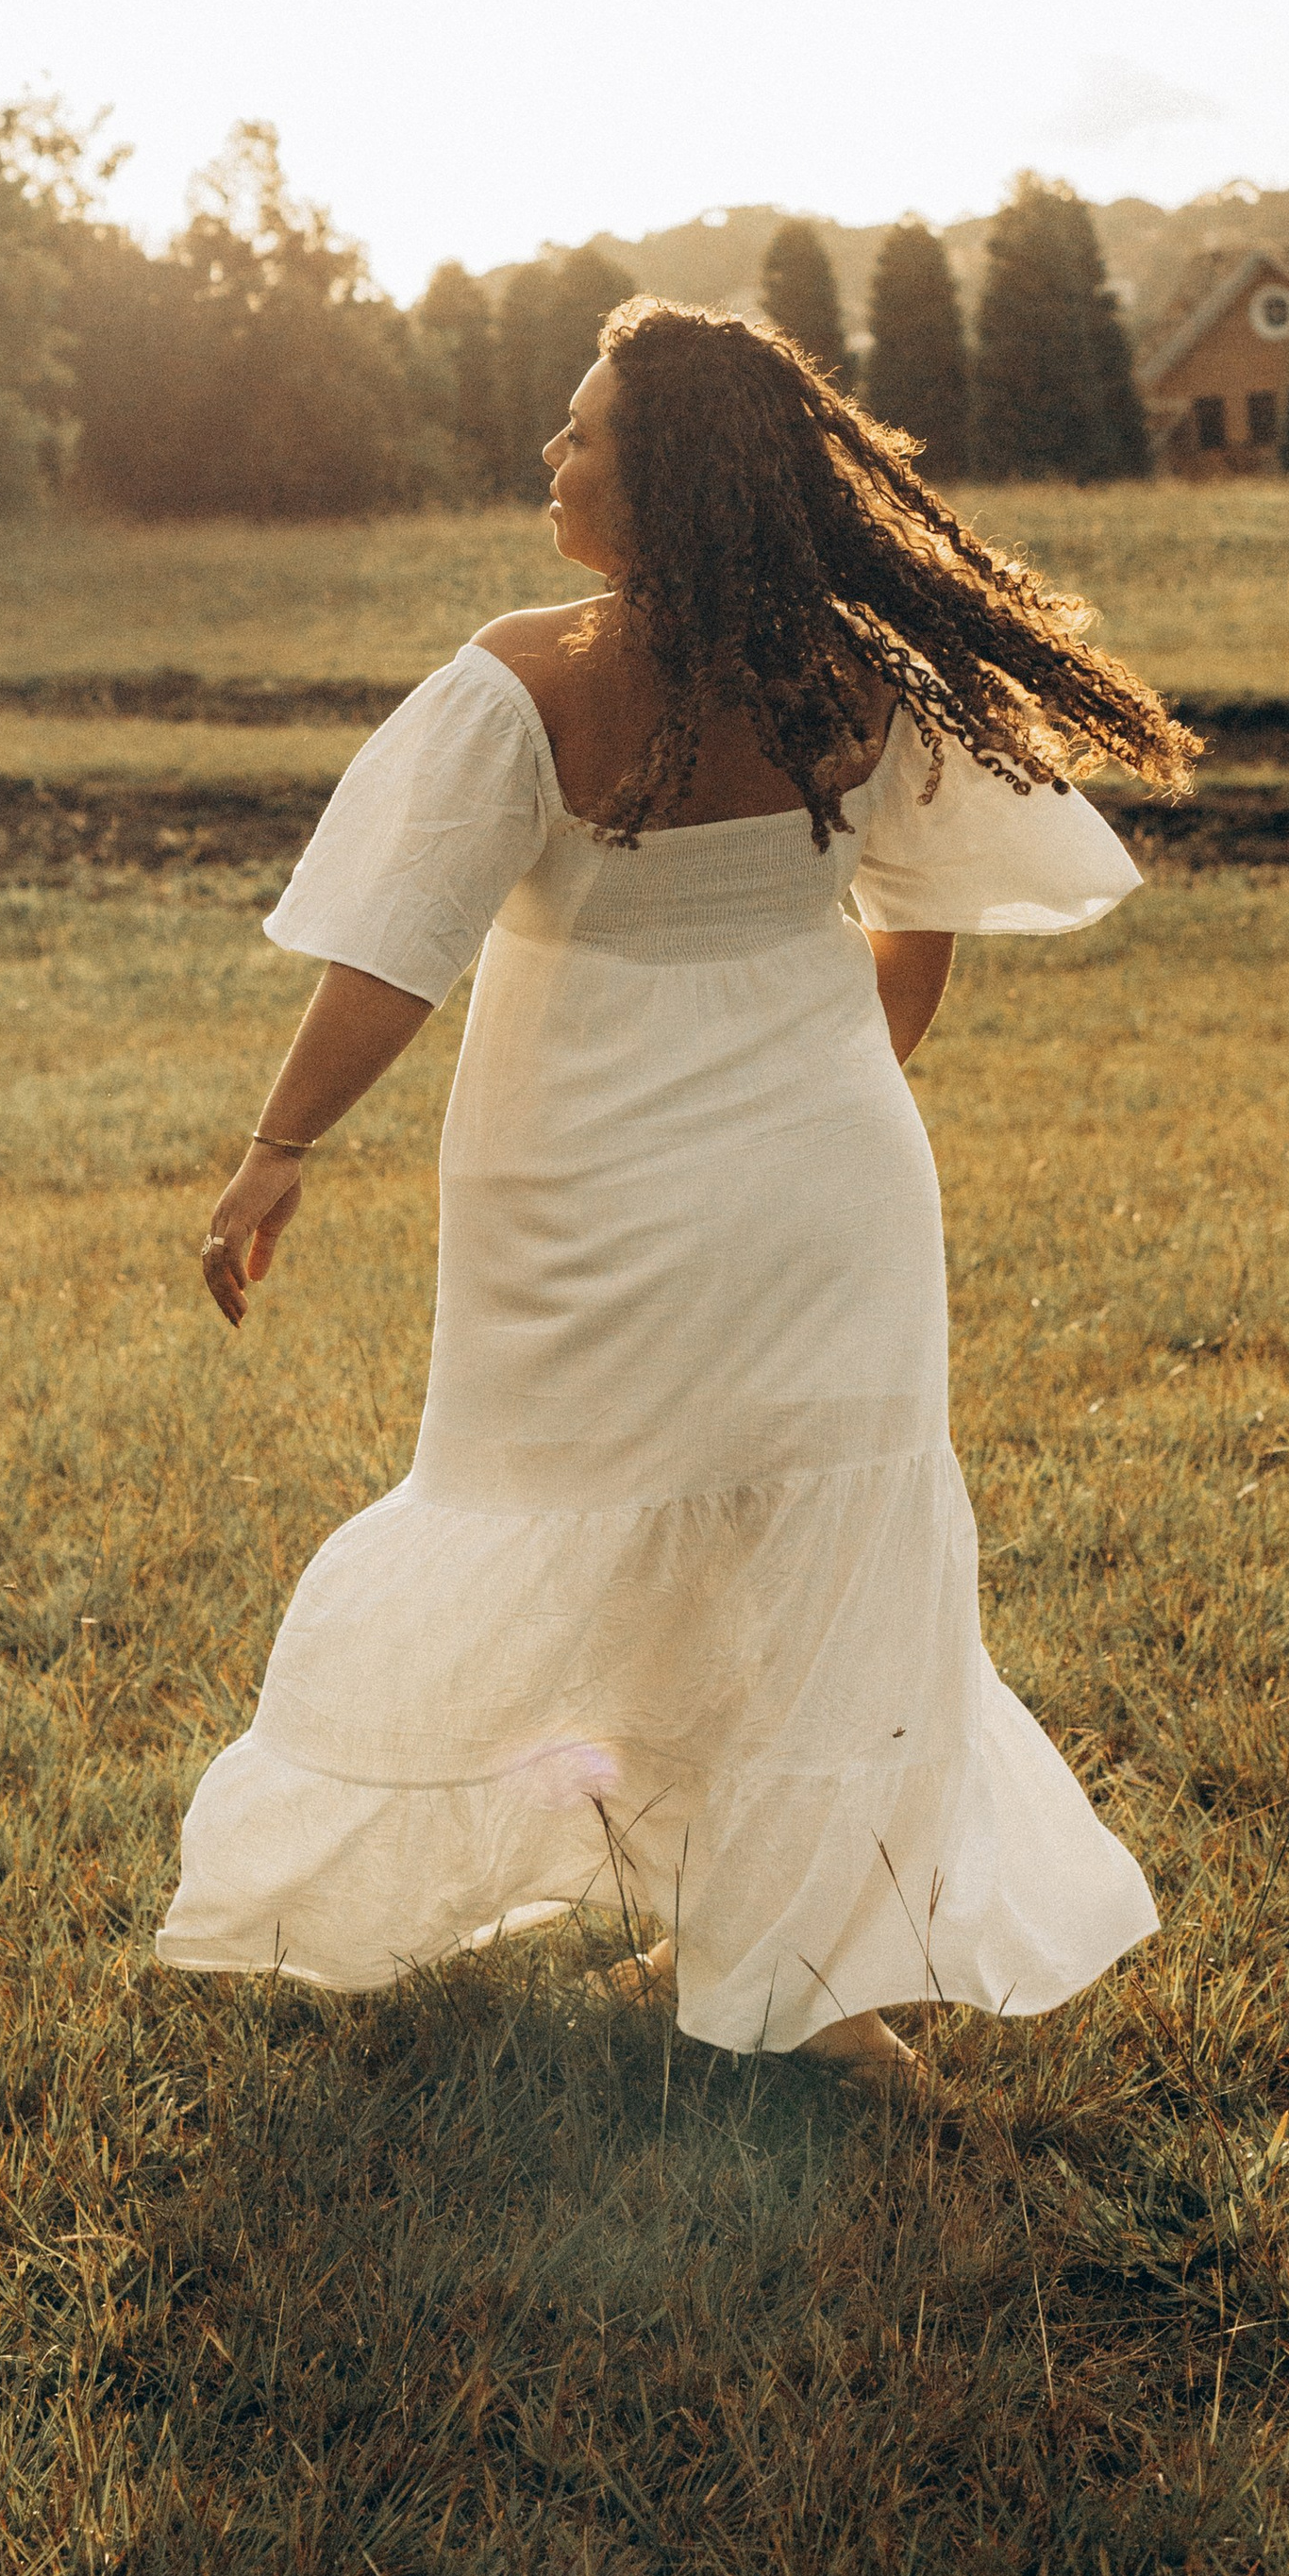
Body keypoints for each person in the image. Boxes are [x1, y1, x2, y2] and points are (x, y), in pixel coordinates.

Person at [158, 300, 1197, 2086]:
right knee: (810, 1540)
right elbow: (917, 937)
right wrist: (820, 1109)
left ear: (672, 483)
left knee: (564, 1504)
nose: (550, 459)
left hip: (589, 1186)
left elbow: (393, 952)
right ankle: (786, 1950)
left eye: (582, 436)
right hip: (831, 1171)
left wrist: (281, 1146)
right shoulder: (864, 672)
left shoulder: (524, 675)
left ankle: (772, 1954)